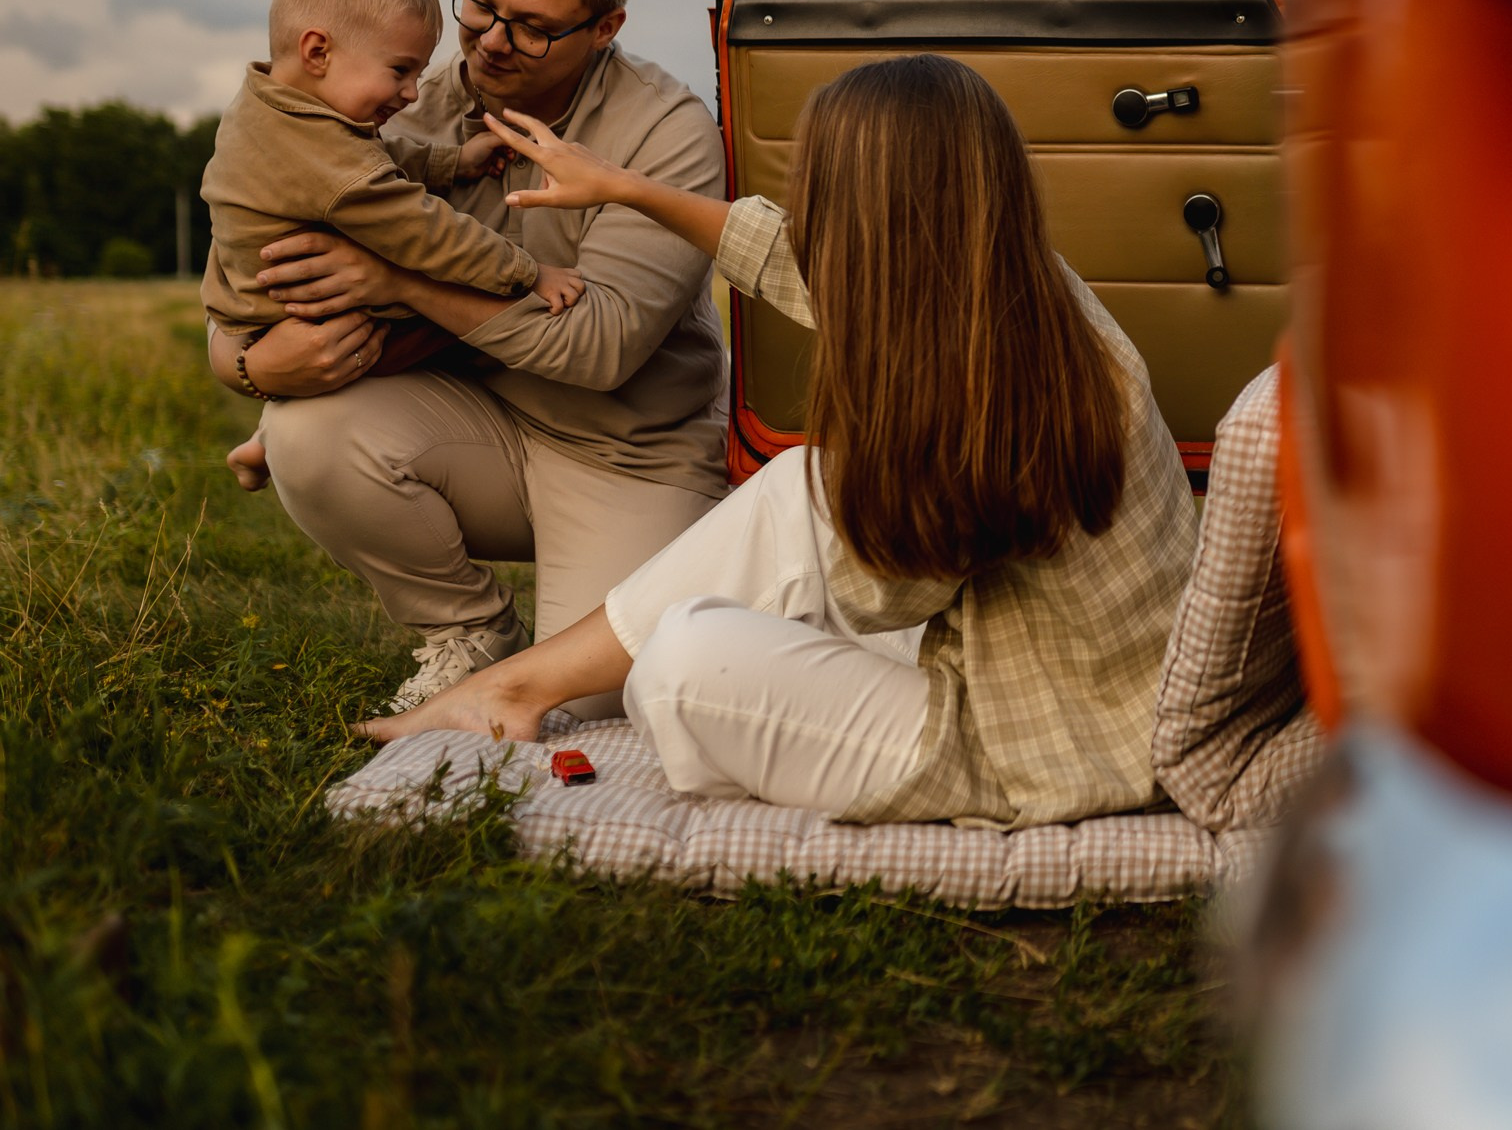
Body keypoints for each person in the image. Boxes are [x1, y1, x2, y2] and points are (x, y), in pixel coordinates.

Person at [361, 55, 1199, 830]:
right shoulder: (1006, 284)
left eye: (818, 181)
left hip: (1036, 741)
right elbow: (789, 257)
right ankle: (512, 685)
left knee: (680, 662)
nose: (807, 203)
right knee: (805, 480)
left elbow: (885, 597)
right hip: (1065, 667)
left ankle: (519, 682)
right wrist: (626, 187)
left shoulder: (984, 388)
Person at [213, 0, 730, 717]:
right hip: (474, 422)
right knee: (306, 431)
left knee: (595, 710)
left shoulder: (666, 132)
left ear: (606, 28)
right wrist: (245, 360)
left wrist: (393, 280)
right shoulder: (397, 98)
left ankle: (708, 550)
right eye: (480, 4)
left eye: (532, 27)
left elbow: (597, 349)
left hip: (628, 449)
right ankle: (467, 630)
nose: (490, 42)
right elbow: (245, 269)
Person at [206, 0, 586, 488]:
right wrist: (529, 274)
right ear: (318, 51)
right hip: (311, 315)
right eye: (399, 70)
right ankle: (274, 440)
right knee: (458, 316)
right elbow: (428, 230)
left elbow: (369, 160)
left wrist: (454, 161)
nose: (411, 93)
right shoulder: (333, 163)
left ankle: (265, 441)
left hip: (253, 304)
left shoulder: (270, 104)